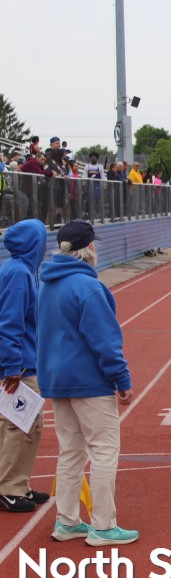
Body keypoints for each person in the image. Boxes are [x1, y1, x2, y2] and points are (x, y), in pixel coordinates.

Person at [38, 220, 138, 544]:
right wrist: (121, 379)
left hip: (57, 381)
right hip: (89, 382)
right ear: (88, 248)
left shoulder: (46, 285)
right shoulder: (88, 287)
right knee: (104, 450)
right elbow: (105, 340)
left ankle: (67, 522)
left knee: (70, 451)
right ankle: (104, 526)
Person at [0, 220, 51, 513]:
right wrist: (12, 366)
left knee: (10, 425)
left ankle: (16, 483)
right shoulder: (19, 274)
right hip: (18, 368)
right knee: (25, 424)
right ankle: (10, 488)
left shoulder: (14, 268)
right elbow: (10, 323)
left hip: (17, 362)